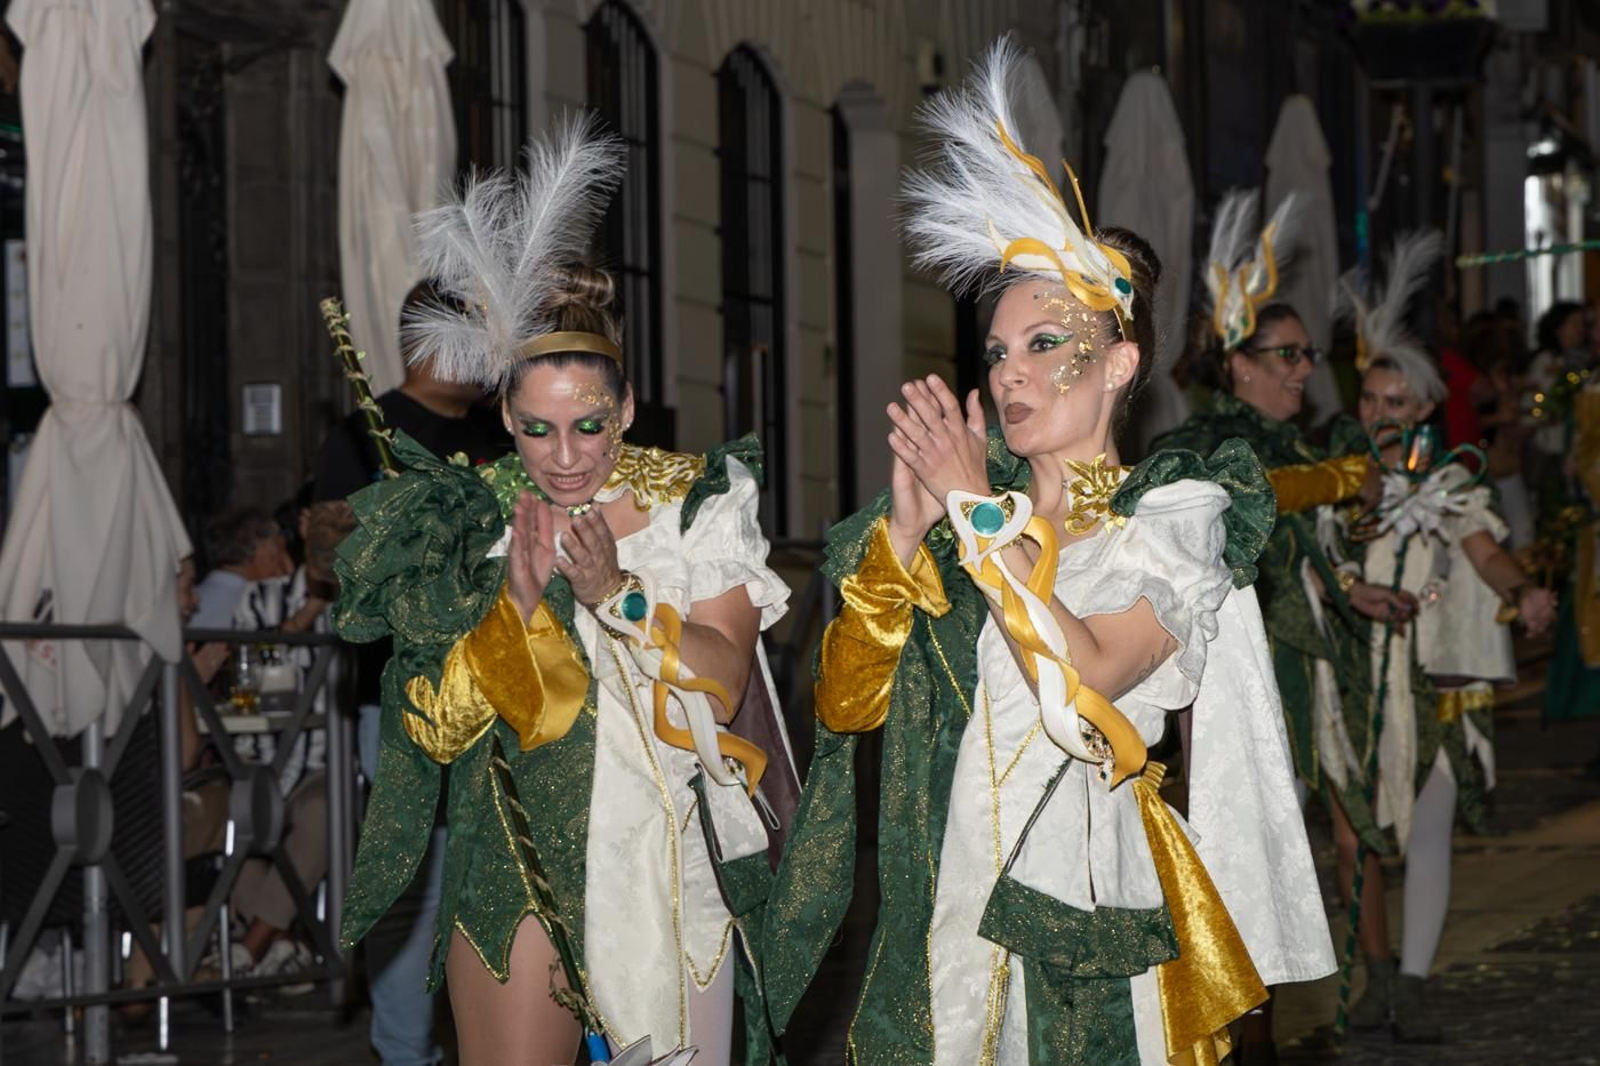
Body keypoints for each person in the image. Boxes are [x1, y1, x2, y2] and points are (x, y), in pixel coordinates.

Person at [761, 42, 1333, 1065]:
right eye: (995, 350)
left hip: (1085, 944)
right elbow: (844, 705)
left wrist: (980, 521)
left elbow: (1090, 682)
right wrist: (898, 537)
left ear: (1118, 362)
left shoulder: (1173, 521)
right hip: (938, 923)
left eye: (1041, 345)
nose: (1010, 373)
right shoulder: (950, 519)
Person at [335, 117, 795, 1066]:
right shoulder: (460, 521)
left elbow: (718, 676)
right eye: (538, 431)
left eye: (590, 424)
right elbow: (433, 728)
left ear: (626, 404)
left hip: (667, 871)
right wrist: (514, 601)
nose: (569, 457)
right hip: (513, 863)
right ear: (504, 413)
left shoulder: (704, 502)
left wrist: (616, 594)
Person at [1322, 274, 1556, 1039]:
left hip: (1434, 681)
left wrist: (1522, 592)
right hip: (1354, 677)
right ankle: (1376, 976)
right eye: (1370, 401)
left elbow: (1488, 554)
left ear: (1424, 410)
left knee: (1425, 834)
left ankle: (1413, 984)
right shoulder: (1334, 481)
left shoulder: (1453, 484)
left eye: (1397, 404)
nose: (1381, 416)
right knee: (1358, 840)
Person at [305, 280, 507, 1066]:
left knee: (500, 874)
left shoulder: (509, 430)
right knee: (416, 880)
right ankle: (405, 1050)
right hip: (399, 694)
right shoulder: (363, 432)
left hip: (506, 688)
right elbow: (330, 563)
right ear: (429, 338)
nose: (491, 355)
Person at [192, 507, 294, 629]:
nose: (279, 564)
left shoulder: (190, 600)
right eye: (275, 555)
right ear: (255, 552)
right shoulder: (257, 603)